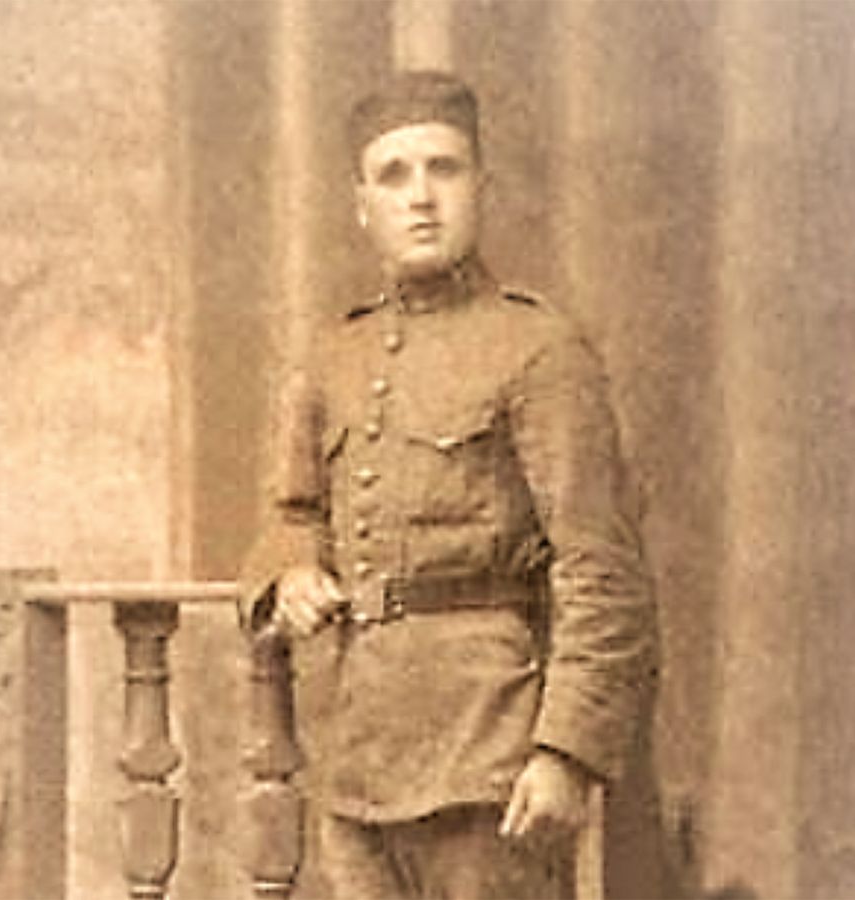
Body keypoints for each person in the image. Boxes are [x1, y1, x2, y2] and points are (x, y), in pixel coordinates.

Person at [238, 70, 657, 900]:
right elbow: (291, 514)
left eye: (444, 168)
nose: (420, 196)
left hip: (490, 755)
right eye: (393, 176)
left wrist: (564, 750)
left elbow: (602, 570)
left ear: (482, 188)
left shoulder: (539, 349)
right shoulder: (335, 357)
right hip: (357, 753)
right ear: (362, 206)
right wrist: (287, 574)